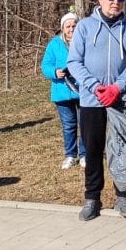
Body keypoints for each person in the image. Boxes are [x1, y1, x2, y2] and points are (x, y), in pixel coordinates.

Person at [68, 0, 126, 221]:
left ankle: (123, 195)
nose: (115, 2)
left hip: (122, 99)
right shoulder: (85, 27)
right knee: (93, 149)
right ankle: (92, 198)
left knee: (123, 149)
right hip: (92, 100)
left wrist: (118, 87)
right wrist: (95, 86)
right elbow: (74, 62)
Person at [41, 12, 84, 169]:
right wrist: (55, 72)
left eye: (74, 26)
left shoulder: (84, 41)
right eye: (68, 26)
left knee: (84, 124)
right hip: (62, 91)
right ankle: (70, 155)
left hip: (82, 90)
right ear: (62, 28)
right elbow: (45, 65)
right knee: (68, 125)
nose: (71, 29)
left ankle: (85, 155)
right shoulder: (54, 44)